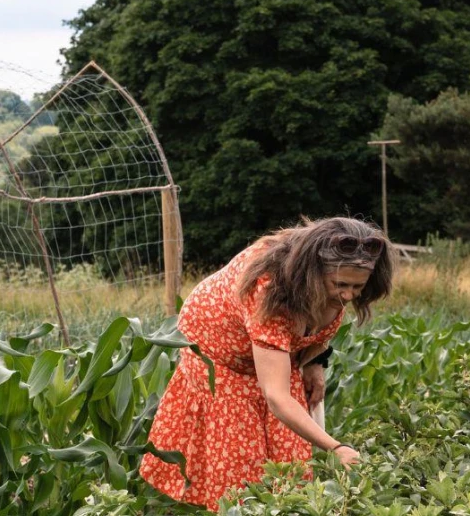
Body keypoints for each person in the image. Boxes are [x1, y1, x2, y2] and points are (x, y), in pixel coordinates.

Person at [139, 216, 395, 510]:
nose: (349, 295)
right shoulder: (270, 292)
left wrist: (315, 363)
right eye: (341, 285)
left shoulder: (327, 286)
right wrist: (336, 447)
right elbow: (276, 396)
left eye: (358, 286)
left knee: (289, 463)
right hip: (220, 351)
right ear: (313, 275)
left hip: (265, 345)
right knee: (240, 469)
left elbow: (314, 330)